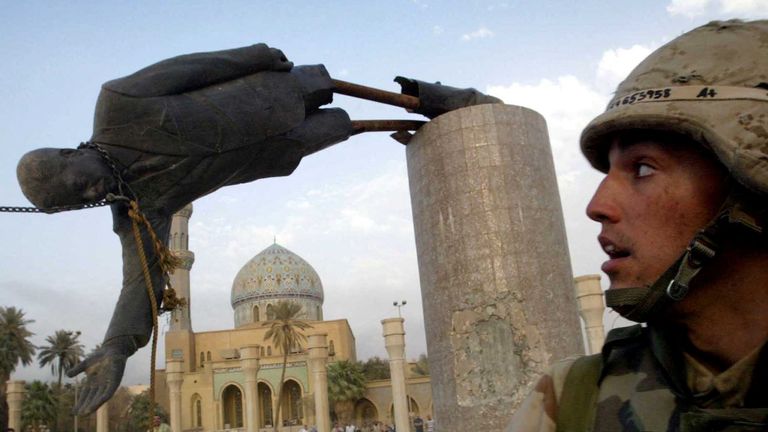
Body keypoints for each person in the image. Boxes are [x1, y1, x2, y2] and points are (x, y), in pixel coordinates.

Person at [507, 19, 768, 431]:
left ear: (751, 191)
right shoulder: (572, 400)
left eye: (643, 168)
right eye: (607, 170)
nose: (597, 207)